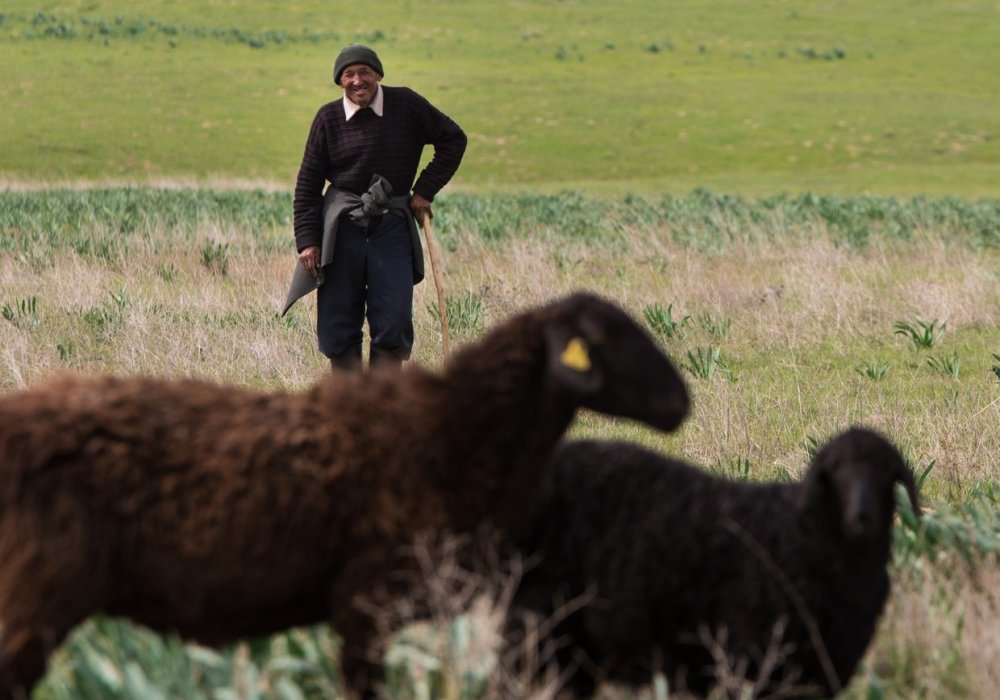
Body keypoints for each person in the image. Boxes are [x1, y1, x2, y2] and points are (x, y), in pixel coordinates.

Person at [285, 44, 467, 372]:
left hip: (392, 225)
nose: (357, 81)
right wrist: (307, 241)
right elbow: (308, 186)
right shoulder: (328, 118)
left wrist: (424, 190)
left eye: (364, 73)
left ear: (378, 75)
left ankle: (384, 405)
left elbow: (453, 139)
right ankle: (348, 404)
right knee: (339, 320)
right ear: (340, 81)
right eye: (348, 75)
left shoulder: (406, 105)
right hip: (342, 227)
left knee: (394, 318)